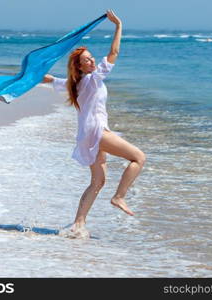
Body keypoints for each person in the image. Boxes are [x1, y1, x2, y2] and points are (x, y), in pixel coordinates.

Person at [42, 9, 146, 234]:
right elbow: (115, 51)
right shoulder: (92, 78)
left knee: (97, 182)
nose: (91, 61)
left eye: (91, 57)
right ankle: (119, 197)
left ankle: (78, 225)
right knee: (138, 157)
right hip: (97, 132)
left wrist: (28, 75)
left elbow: (50, 79)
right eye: (86, 60)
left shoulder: (74, 83)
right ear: (80, 67)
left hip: (87, 134)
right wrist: (118, 25)